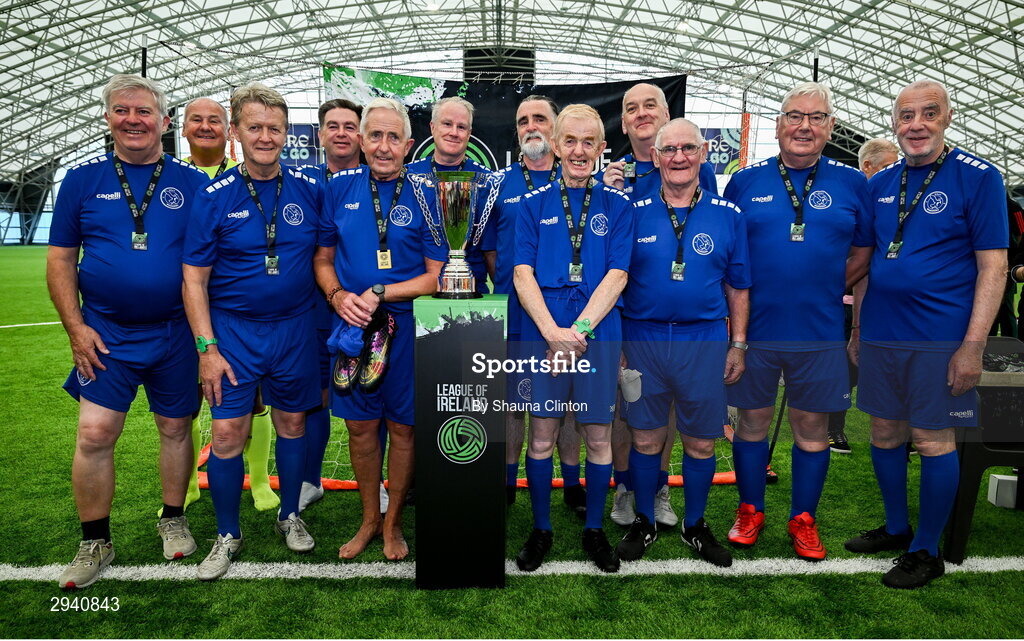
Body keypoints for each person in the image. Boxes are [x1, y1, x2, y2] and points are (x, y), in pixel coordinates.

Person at [48, 74, 208, 589]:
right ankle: (94, 538)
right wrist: (76, 329)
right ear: (108, 117)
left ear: (164, 123)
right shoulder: (81, 180)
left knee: (176, 429)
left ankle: (172, 517)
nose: (133, 120)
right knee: (95, 434)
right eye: (123, 110)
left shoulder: (193, 184)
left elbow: (210, 264)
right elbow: (60, 262)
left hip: (176, 334)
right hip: (105, 333)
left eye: (144, 112)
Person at [846, 80, 1008, 589]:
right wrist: (856, 328)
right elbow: (868, 264)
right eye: (906, 115)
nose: (916, 124)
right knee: (883, 432)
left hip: (939, 338)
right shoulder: (880, 182)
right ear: (894, 123)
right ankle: (897, 528)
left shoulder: (978, 178)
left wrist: (973, 346)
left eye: (928, 114)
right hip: (880, 335)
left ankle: (926, 549)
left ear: (948, 117)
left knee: (933, 440)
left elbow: (994, 268)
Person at [723, 81, 872, 561]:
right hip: (756, 332)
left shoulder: (853, 184)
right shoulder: (745, 181)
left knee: (812, 428)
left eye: (816, 117)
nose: (804, 126)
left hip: (819, 331)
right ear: (778, 124)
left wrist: (833, 285)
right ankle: (750, 509)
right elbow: (729, 255)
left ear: (830, 127)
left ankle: (803, 518)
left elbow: (865, 250)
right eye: (795, 116)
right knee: (752, 423)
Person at [183, 83, 324, 581]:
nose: (266, 136)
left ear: (287, 133)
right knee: (226, 432)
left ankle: (290, 515)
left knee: (292, 424)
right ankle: (228, 533)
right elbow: (193, 277)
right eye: (255, 127)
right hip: (234, 333)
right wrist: (207, 348)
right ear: (236, 133)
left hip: (294, 329)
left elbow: (327, 254)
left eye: (275, 128)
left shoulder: (309, 187)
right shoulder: (212, 196)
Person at [314, 97, 446, 561]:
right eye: (376, 135)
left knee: (405, 430)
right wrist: (337, 296)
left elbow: (436, 275)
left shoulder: (428, 192)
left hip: (407, 329)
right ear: (361, 141)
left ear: (409, 145)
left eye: (394, 137)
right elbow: (323, 258)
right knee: (360, 430)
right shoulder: (338, 188)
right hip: (353, 328)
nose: (384, 146)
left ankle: (393, 524)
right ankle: (369, 518)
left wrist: (380, 292)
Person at [616, 118, 750, 566]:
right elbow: (614, 282)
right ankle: (644, 522)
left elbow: (738, 286)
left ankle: (696, 526)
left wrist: (739, 343)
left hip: (704, 341)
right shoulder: (630, 213)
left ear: (703, 154)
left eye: (688, 148)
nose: (678, 157)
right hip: (643, 340)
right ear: (655, 157)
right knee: (646, 438)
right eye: (668, 150)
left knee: (701, 443)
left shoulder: (729, 216)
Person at [514, 104, 634, 573]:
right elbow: (522, 273)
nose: (579, 151)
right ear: (556, 144)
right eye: (571, 141)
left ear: (602, 149)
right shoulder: (530, 205)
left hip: (596, 328)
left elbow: (619, 275)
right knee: (542, 434)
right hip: (543, 325)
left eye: (590, 142)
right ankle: (541, 527)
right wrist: (551, 332)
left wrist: (577, 331)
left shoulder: (619, 205)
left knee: (599, 436)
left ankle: (594, 531)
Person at [600, 82, 719, 529]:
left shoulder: (692, 169)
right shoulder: (613, 173)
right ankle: (624, 486)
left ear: (666, 112)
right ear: (624, 121)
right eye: (632, 108)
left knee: (662, 408)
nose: (641, 113)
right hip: (624, 315)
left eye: (651, 104)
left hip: (678, 325)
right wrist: (606, 193)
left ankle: (660, 484)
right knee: (621, 404)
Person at [480, 95, 585, 513]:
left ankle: (574, 484)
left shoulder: (577, 182)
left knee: (570, 406)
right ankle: (508, 481)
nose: (531, 126)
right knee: (513, 404)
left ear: (557, 132)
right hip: (515, 315)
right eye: (523, 121)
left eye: (540, 118)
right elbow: (488, 249)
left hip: (567, 317)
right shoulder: (497, 184)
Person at [180, 96, 278, 513]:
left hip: (235, 313)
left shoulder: (244, 176)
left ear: (229, 130)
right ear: (181, 127)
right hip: (184, 306)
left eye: (214, 120)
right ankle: (184, 484)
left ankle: (258, 480)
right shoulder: (171, 175)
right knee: (186, 401)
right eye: (196, 120)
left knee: (252, 399)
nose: (205, 126)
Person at [297, 98, 366, 514]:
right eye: (332, 126)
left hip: (366, 313)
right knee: (315, 398)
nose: (341, 132)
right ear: (320, 134)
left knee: (371, 400)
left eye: (349, 126)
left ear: (359, 134)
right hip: (315, 310)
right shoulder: (303, 182)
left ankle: (374, 482)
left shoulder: (381, 182)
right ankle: (309, 478)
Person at [405, 96, 489, 294]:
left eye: (461, 127)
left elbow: (492, 250)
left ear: (469, 134)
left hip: (473, 291)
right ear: (433, 127)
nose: (454, 132)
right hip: (417, 294)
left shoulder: (485, 181)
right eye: (447, 124)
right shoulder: (408, 177)